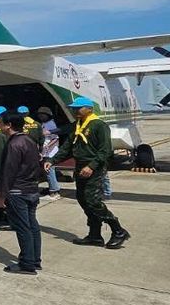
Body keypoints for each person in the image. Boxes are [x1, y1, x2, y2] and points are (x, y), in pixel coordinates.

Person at [45, 97, 130, 248]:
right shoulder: (78, 126)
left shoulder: (99, 125)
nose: (74, 110)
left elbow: (105, 150)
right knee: (82, 199)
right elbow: (67, 148)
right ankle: (95, 234)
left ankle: (117, 229)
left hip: (94, 168)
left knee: (92, 200)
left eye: (78, 108)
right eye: (73, 108)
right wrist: (52, 160)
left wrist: (91, 166)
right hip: (80, 166)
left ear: (89, 109)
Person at [0, 113, 44, 273]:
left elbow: (8, 171)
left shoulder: (14, 144)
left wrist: (1, 195)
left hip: (18, 191)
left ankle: (27, 263)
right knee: (32, 226)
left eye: (1, 123)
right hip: (31, 189)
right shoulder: (30, 141)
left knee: (23, 227)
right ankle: (35, 259)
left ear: (8, 125)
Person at [37, 106, 61, 199]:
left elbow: (55, 138)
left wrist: (48, 146)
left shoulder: (51, 124)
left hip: (50, 152)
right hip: (46, 152)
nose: (41, 117)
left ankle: (54, 191)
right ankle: (52, 188)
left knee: (50, 171)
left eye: (43, 115)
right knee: (47, 171)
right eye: (40, 115)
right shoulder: (44, 123)